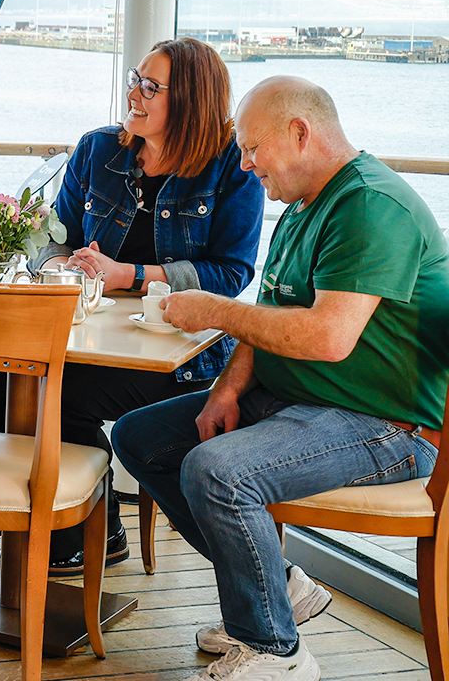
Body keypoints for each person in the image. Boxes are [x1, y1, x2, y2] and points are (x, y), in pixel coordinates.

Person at [111, 75, 449, 681]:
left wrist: (212, 308)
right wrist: (228, 388)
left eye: (251, 147)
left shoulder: (371, 205)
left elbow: (326, 336)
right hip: (301, 402)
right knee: (142, 439)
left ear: (300, 133)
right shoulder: (298, 208)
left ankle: (274, 652)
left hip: (387, 425)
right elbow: (269, 312)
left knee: (216, 471)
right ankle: (278, 592)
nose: (243, 163)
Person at [0, 37, 265, 573]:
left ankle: (81, 529)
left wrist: (130, 275)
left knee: (60, 395)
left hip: (182, 357)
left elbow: (232, 273)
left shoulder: (231, 167)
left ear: (192, 99)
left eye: (152, 87)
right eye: (135, 79)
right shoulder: (98, 150)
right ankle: (67, 519)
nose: (135, 93)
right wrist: (58, 265)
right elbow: (56, 238)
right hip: (91, 335)